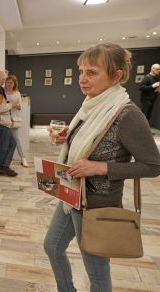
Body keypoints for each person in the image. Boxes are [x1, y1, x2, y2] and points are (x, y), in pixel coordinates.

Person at [44, 43, 160, 292]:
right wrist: (68, 137)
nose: (83, 80)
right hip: (71, 194)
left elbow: (153, 165)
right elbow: (94, 139)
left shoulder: (127, 114)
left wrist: (98, 167)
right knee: (52, 247)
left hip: (96, 204)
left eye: (92, 72)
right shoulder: (92, 104)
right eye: (81, 71)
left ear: (116, 75)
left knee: (96, 273)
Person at [4, 74, 29, 167]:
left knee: (16, 139)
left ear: (14, 84)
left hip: (13, 120)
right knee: (5, 141)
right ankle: (5, 160)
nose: (8, 84)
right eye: (7, 82)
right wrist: (11, 104)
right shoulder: (2, 92)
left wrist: (13, 105)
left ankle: (23, 158)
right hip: (3, 120)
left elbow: (19, 107)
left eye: (11, 82)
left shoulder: (17, 93)